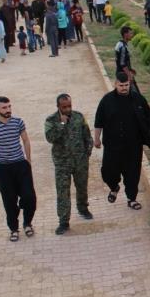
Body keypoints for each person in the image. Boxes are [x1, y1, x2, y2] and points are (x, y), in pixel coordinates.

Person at [94, 71, 150, 211]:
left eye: (126, 85)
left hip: (133, 145)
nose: (124, 88)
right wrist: (96, 139)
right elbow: (99, 121)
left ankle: (131, 199)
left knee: (132, 172)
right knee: (108, 171)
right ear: (115, 84)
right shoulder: (107, 100)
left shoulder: (137, 98)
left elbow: (149, 115)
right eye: (121, 85)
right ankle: (114, 187)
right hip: (112, 144)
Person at [0, 96, 36, 241]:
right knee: (9, 201)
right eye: (4, 108)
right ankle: (14, 229)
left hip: (21, 165)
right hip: (5, 169)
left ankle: (27, 223)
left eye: (9, 107)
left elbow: (25, 140)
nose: (8, 110)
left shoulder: (18, 122)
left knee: (29, 197)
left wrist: (28, 160)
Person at [44, 93, 94, 235]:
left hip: (80, 161)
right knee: (63, 192)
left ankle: (83, 208)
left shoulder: (79, 117)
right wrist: (61, 124)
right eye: (64, 107)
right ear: (58, 107)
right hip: (62, 163)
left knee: (82, 186)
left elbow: (87, 136)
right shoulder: (51, 120)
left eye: (69, 106)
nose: (67, 109)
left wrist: (87, 154)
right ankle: (64, 221)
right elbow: (50, 138)